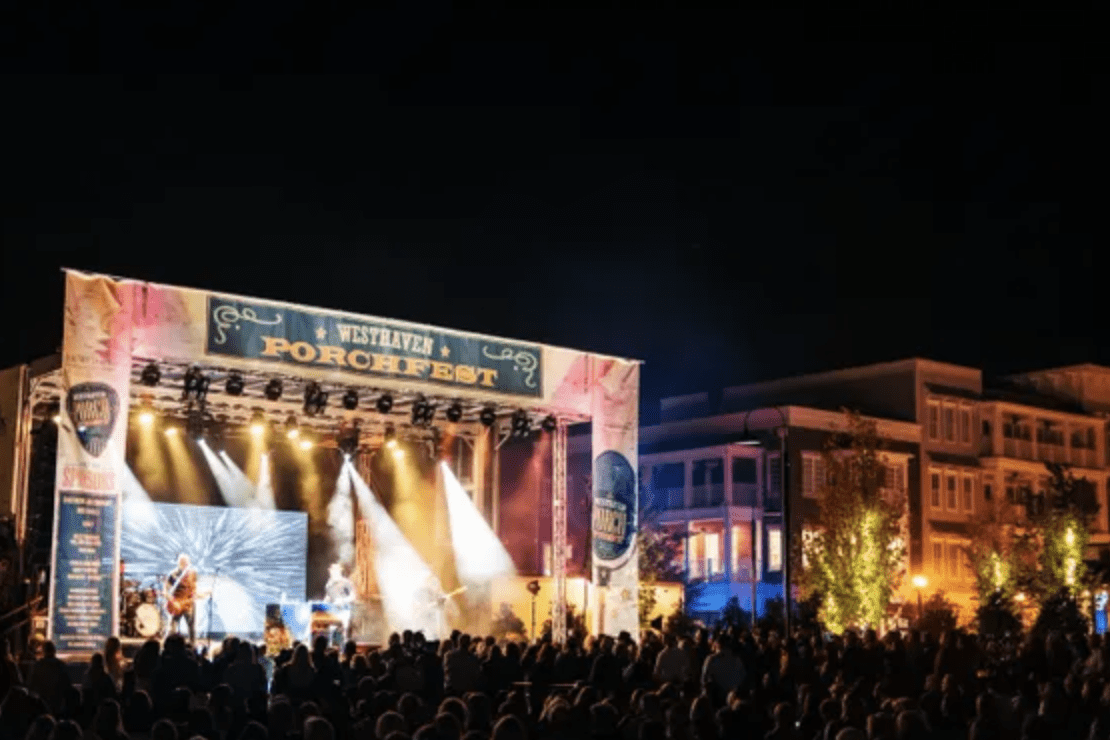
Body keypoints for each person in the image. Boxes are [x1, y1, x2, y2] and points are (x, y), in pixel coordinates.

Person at [164, 554, 197, 645]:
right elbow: (166, 591)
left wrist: (194, 597)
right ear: (179, 563)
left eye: (186, 563)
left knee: (191, 628)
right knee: (172, 628)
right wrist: (173, 602)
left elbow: (194, 590)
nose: (185, 565)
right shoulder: (173, 574)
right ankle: (168, 647)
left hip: (188, 604)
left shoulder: (193, 574)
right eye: (183, 563)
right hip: (177, 604)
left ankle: (192, 647)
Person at [324, 562, 355, 643]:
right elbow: (328, 596)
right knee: (331, 629)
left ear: (339, 571)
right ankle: (331, 647)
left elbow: (353, 596)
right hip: (333, 611)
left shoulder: (346, 582)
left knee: (344, 629)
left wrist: (343, 600)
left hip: (344, 611)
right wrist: (323, 603)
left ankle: (344, 646)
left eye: (333, 570)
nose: (331, 572)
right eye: (330, 570)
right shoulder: (329, 584)